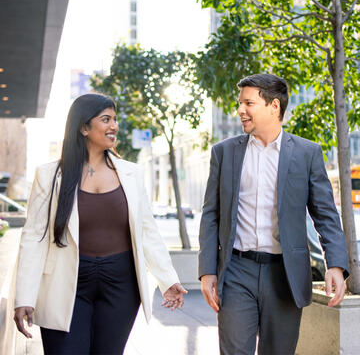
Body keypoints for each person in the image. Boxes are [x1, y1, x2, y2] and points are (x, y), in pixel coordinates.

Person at [14, 93, 187, 354]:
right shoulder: (49, 175)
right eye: (106, 119)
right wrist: (24, 296)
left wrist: (168, 279)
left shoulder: (131, 173)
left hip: (121, 283)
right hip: (66, 281)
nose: (114, 126)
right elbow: (33, 237)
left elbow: (147, 231)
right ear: (84, 127)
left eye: (115, 119)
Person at [199, 74, 349, 355]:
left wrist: (336, 266)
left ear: (274, 107)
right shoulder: (224, 153)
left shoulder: (307, 153)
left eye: (248, 103)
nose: (240, 110)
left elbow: (326, 215)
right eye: (240, 103)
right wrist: (207, 271)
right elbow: (211, 214)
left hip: (285, 275)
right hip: (237, 271)